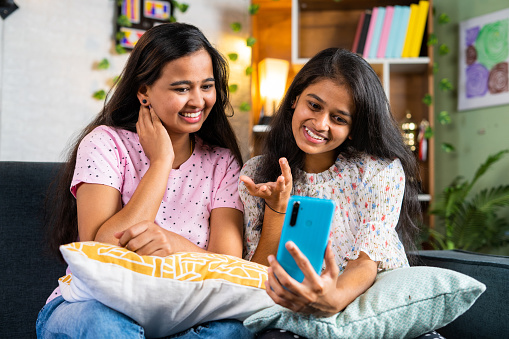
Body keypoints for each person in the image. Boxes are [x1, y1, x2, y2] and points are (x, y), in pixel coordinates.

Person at [36, 23, 253, 339]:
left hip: (185, 316)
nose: (198, 100)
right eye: (181, 88)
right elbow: (101, 251)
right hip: (96, 308)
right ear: (143, 92)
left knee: (234, 333)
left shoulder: (222, 162)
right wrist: (160, 164)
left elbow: (228, 268)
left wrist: (173, 244)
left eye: (206, 86)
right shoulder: (105, 144)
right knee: (106, 327)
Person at [239, 47, 426, 338]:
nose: (320, 124)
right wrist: (277, 209)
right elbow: (258, 273)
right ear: (295, 99)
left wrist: (333, 300)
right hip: (299, 306)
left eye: (339, 119)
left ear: (353, 129)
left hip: (375, 298)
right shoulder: (256, 173)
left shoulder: (378, 171)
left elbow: (365, 263)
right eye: (314, 106)